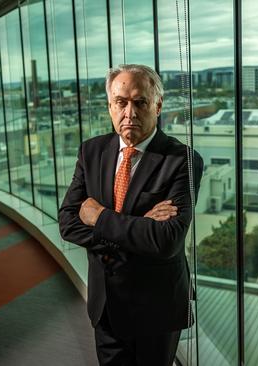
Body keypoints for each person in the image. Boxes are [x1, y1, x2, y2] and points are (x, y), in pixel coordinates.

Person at [58, 64, 203, 366]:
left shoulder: (182, 161)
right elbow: (68, 224)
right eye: (121, 102)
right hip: (106, 305)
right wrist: (139, 227)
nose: (130, 113)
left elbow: (167, 241)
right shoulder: (91, 152)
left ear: (158, 105)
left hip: (157, 309)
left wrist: (99, 217)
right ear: (110, 106)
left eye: (140, 103)